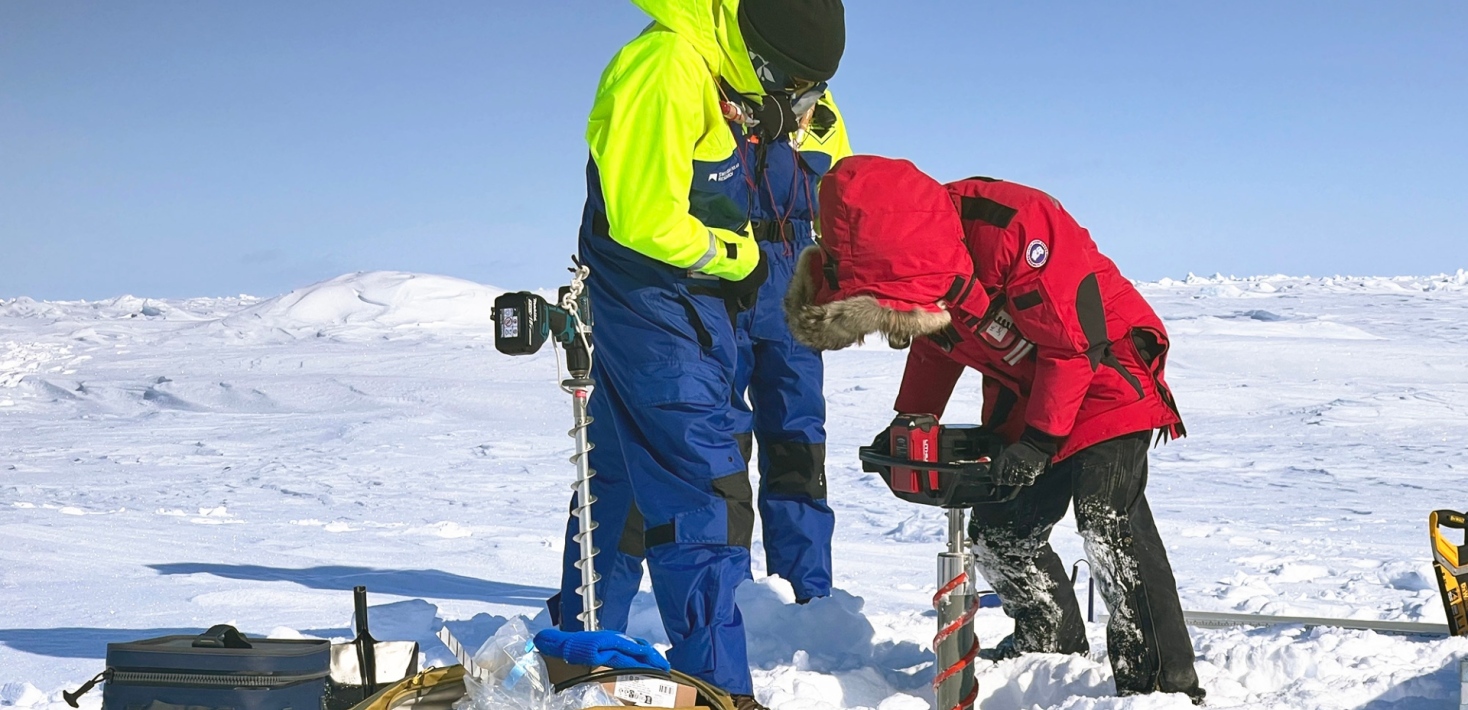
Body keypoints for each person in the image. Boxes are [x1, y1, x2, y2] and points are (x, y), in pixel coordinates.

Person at [783, 155, 1205, 704]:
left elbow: (1073, 343)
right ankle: (1048, 645)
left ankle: (1157, 686)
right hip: (1027, 393)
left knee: (1107, 517)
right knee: (1001, 533)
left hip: (1106, 370)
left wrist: (1038, 444)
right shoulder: (917, 268)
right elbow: (940, 347)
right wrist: (914, 419)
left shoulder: (1013, 225)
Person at [550, 0, 845, 704]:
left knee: (641, 471)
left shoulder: (778, 82)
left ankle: (575, 654)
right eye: (795, 88)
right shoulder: (662, 68)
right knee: (698, 486)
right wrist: (737, 257)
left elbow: (838, 180)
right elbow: (645, 217)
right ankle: (719, 690)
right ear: (761, 56)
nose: (805, 104)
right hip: (652, 291)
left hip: (729, 294)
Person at [729, 77, 851, 605]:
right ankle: (725, 593)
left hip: (794, 274)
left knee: (798, 436)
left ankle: (808, 595)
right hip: (721, 271)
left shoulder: (824, 113)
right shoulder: (718, 82)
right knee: (720, 439)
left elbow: (841, 201)